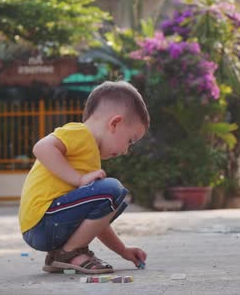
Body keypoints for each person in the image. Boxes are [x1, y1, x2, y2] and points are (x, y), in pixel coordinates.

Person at [18, 81, 150, 274]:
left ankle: (62, 254)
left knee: (110, 195)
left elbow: (96, 223)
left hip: (46, 227)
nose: (126, 151)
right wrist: (78, 179)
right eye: (130, 141)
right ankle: (70, 252)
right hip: (43, 222)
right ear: (115, 123)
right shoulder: (79, 132)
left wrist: (123, 251)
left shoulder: (90, 158)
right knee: (112, 190)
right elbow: (41, 147)